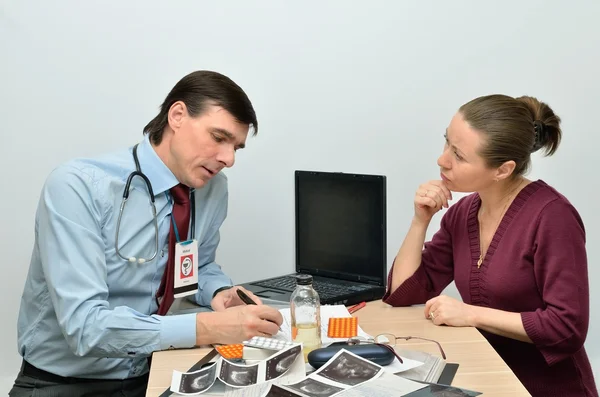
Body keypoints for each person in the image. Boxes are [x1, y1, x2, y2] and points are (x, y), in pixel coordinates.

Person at [10, 70, 283, 397]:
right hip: (64, 383)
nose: (229, 159)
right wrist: (208, 327)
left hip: (154, 371)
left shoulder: (212, 189)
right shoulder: (78, 187)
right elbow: (86, 328)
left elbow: (198, 265)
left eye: (236, 147)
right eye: (219, 137)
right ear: (177, 116)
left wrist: (218, 293)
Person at [383, 94, 598, 397]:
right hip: (488, 380)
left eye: (458, 155)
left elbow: (567, 328)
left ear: (503, 170)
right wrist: (420, 220)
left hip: (546, 389)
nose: (442, 159)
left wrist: (471, 314)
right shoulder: (463, 213)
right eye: (447, 142)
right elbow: (402, 293)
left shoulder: (553, 217)